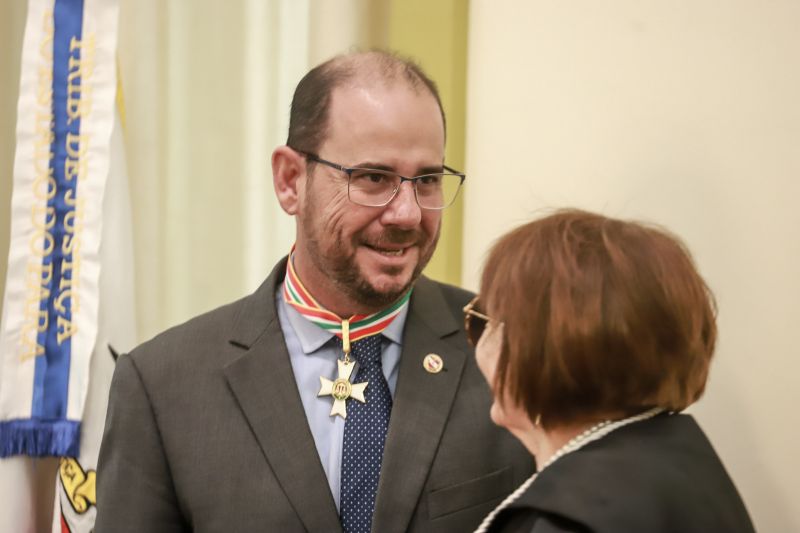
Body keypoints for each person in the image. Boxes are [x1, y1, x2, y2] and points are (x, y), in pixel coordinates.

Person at [95, 50, 533, 533]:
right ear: (290, 181)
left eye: (427, 180)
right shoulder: (164, 386)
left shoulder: (510, 350)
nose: (407, 214)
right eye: (373, 177)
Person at [464, 209, 756, 533]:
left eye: (485, 321)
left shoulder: (571, 521)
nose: (482, 342)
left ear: (544, 351)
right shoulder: (680, 458)